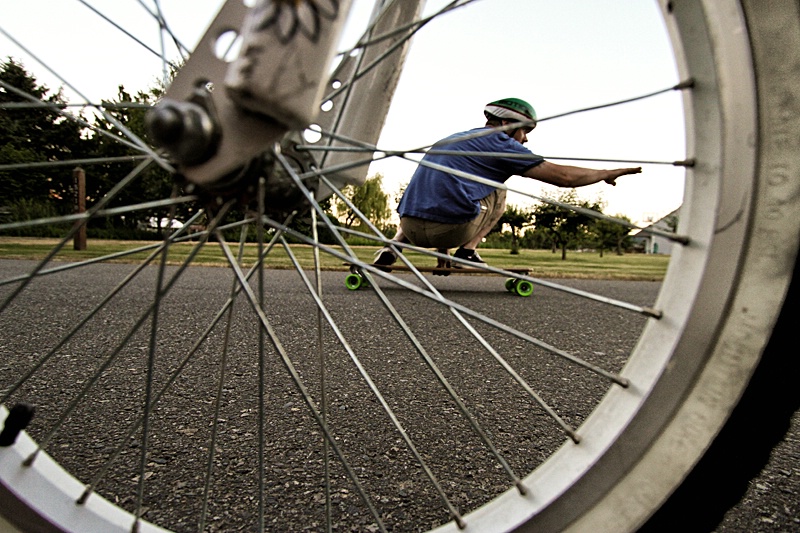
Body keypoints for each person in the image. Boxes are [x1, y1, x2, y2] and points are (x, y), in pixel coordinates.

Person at [374, 97, 642, 268]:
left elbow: (441, 194)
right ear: (505, 123)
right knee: (500, 188)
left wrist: (440, 253)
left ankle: (392, 246)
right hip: (450, 231)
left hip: (409, 227)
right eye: (524, 130)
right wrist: (606, 173)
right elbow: (564, 178)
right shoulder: (499, 142)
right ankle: (466, 253)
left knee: (440, 183)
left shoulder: (453, 138)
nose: (525, 139)